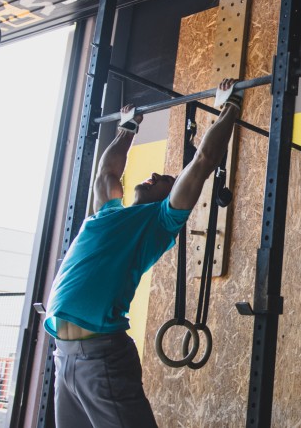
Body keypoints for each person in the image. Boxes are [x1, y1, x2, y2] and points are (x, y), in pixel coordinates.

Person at [43, 78, 242, 428]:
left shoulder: (160, 221)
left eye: (164, 178)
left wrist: (229, 107)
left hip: (101, 358)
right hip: (63, 356)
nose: (153, 174)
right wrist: (128, 129)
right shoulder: (108, 211)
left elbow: (203, 161)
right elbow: (107, 170)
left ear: (170, 194)